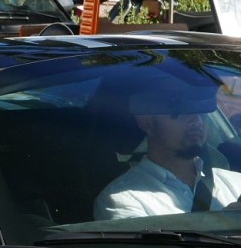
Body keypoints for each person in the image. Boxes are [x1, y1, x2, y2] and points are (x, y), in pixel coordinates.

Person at [94, 75, 241, 219]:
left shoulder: (235, 183)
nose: (196, 121)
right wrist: (222, 223)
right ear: (147, 123)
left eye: (202, 113)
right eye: (181, 112)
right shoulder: (123, 199)